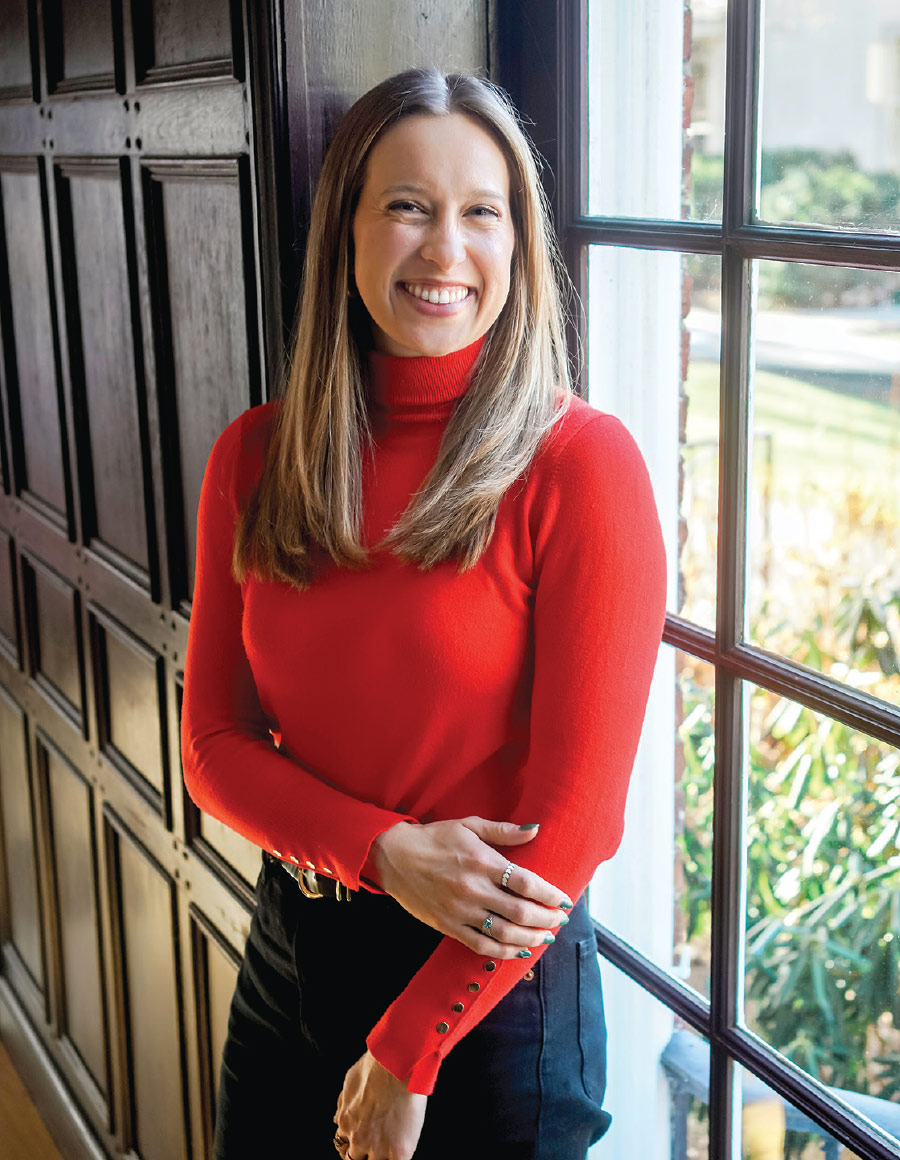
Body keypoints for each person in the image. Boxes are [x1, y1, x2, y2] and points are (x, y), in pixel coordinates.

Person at [181, 67, 666, 1160]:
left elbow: (577, 823)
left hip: (491, 1000)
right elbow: (211, 746)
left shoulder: (581, 466)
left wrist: (411, 1047)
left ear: (518, 246)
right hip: (289, 947)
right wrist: (383, 851)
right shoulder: (254, 458)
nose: (445, 249)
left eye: (480, 213)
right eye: (407, 206)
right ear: (346, 229)